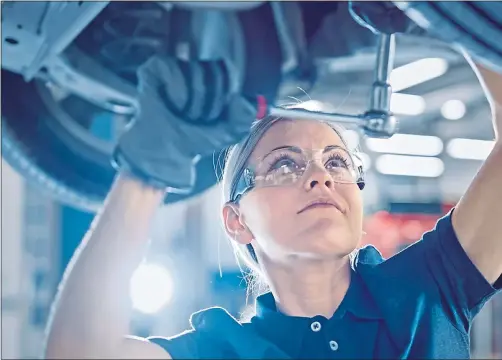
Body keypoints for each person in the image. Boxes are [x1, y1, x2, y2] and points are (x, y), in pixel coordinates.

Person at [44, 51, 502, 359]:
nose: (321, 175)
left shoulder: (426, 291)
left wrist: (447, 11)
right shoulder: (219, 350)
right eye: (285, 164)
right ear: (237, 220)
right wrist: (147, 171)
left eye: (337, 161)